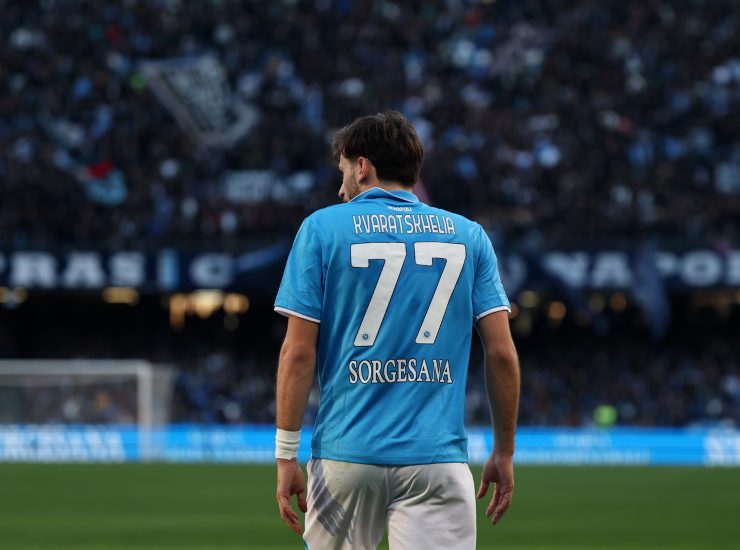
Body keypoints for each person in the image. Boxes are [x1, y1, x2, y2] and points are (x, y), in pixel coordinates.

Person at [273, 111, 520, 549]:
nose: (341, 188)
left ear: (362, 166)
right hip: (437, 459)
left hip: (347, 455)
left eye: (343, 171)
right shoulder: (469, 236)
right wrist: (504, 451)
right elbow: (501, 354)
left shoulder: (322, 228)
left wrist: (286, 455)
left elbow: (297, 352)